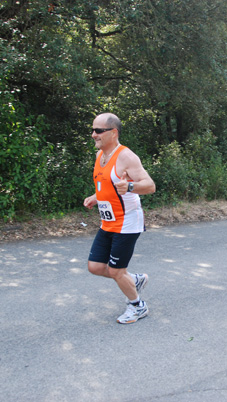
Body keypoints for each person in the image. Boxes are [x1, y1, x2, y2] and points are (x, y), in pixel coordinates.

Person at [83, 113, 156, 324]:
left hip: (127, 223)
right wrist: (96, 198)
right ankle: (134, 280)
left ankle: (137, 306)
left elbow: (150, 185)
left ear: (113, 133)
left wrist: (130, 186)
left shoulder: (126, 157)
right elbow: (108, 186)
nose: (93, 135)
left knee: (116, 270)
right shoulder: (100, 156)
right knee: (95, 266)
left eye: (98, 131)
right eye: (93, 129)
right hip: (108, 222)